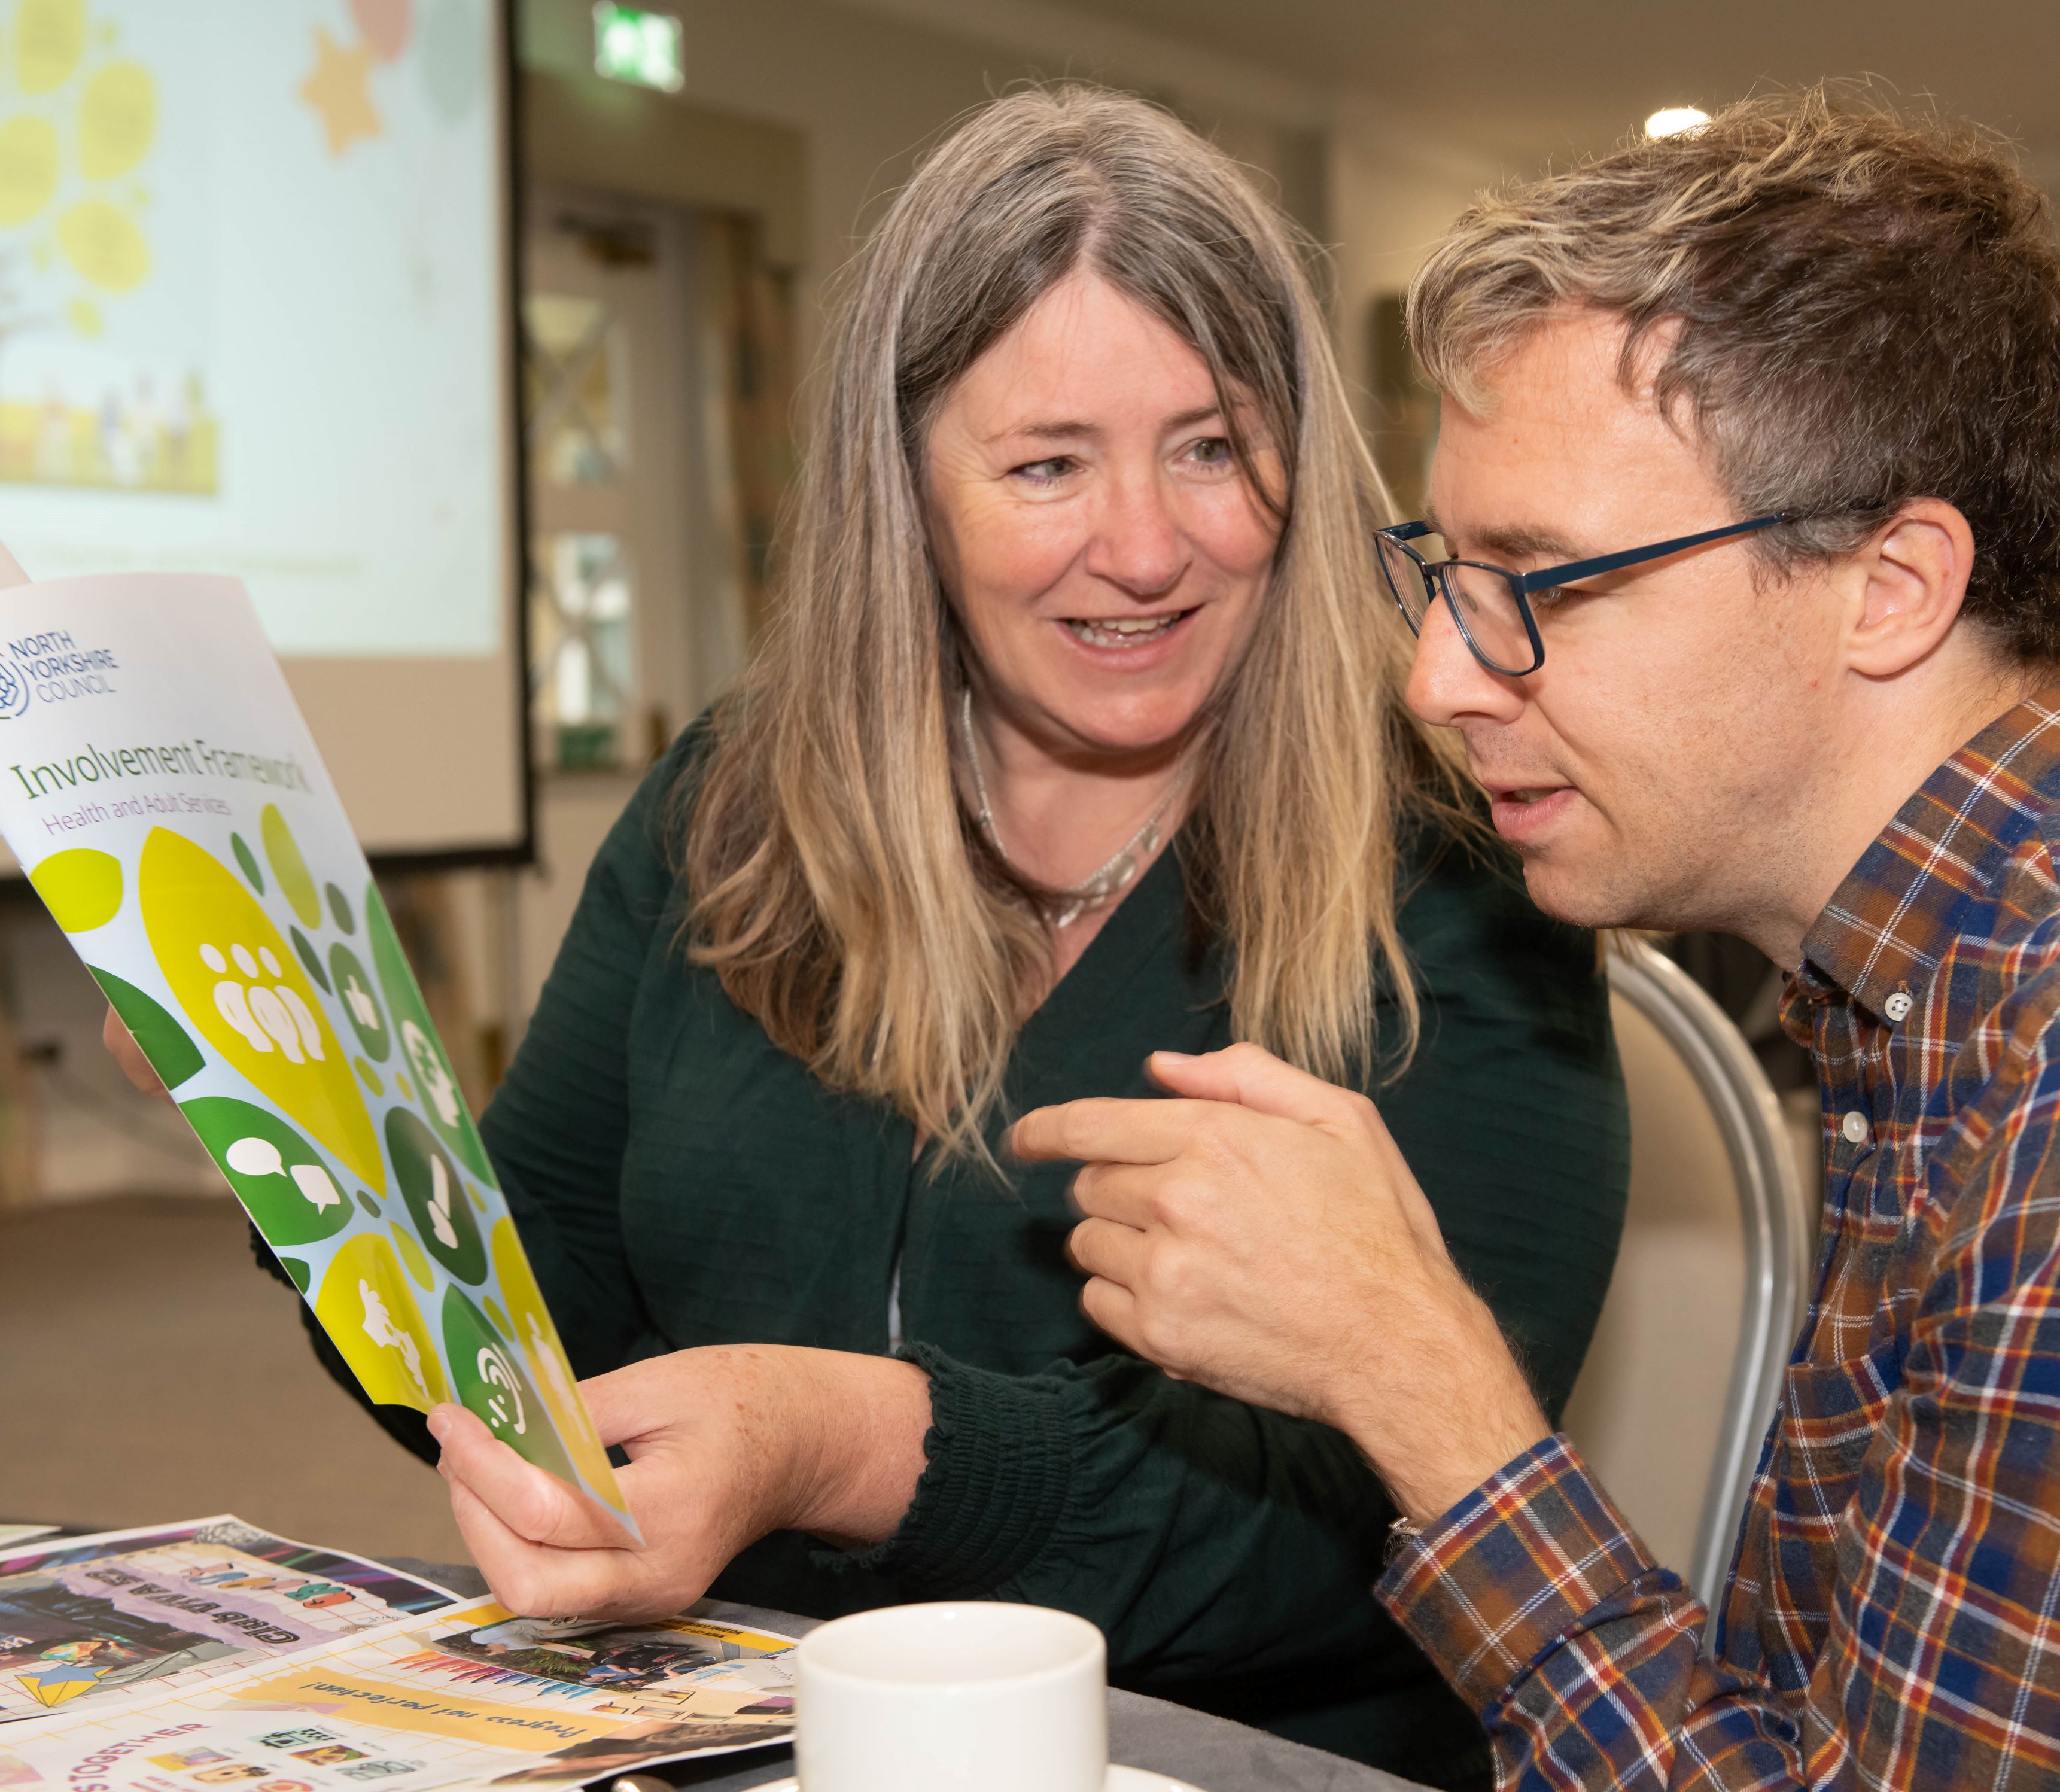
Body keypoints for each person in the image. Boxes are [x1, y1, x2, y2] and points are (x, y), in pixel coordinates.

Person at [110, 85, 1627, 1786]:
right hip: (739, 1727)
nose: (1145, 545)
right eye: (1046, 465)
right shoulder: (738, 804)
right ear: (901, 493)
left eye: (1208, 446)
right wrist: (315, 1134)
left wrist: (834, 1444)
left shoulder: (1454, 871)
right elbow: (540, 1351)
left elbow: (1354, 1513)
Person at [1011, 93, 2060, 1788]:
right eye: (1444, 573)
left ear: (1890, 586)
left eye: (1548, 579)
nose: (1435, 676)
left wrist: (1421, 1379)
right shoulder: (1954, 979)